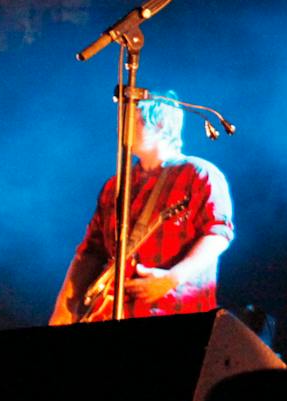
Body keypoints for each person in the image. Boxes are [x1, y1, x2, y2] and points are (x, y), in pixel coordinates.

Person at [49, 94, 232, 324]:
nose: (120, 128)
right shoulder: (116, 186)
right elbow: (90, 252)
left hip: (175, 314)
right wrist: (63, 310)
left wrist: (172, 278)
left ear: (161, 124)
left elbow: (218, 234)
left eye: (130, 120)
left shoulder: (198, 173)